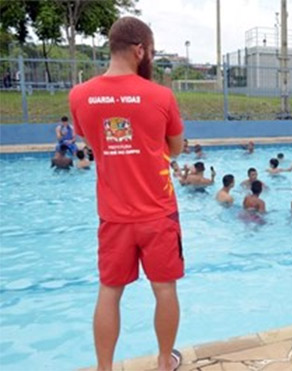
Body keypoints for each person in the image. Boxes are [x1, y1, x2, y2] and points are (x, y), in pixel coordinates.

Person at [68, 16, 184, 371]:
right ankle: (165, 362)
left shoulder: (80, 96)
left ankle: (105, 368)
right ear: (139, 50)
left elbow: (91, 142)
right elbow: (176, 149)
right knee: (164, 290)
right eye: (148, 51)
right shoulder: (161, 95)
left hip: (114, 216)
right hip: (158, 213)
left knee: (109, 292)